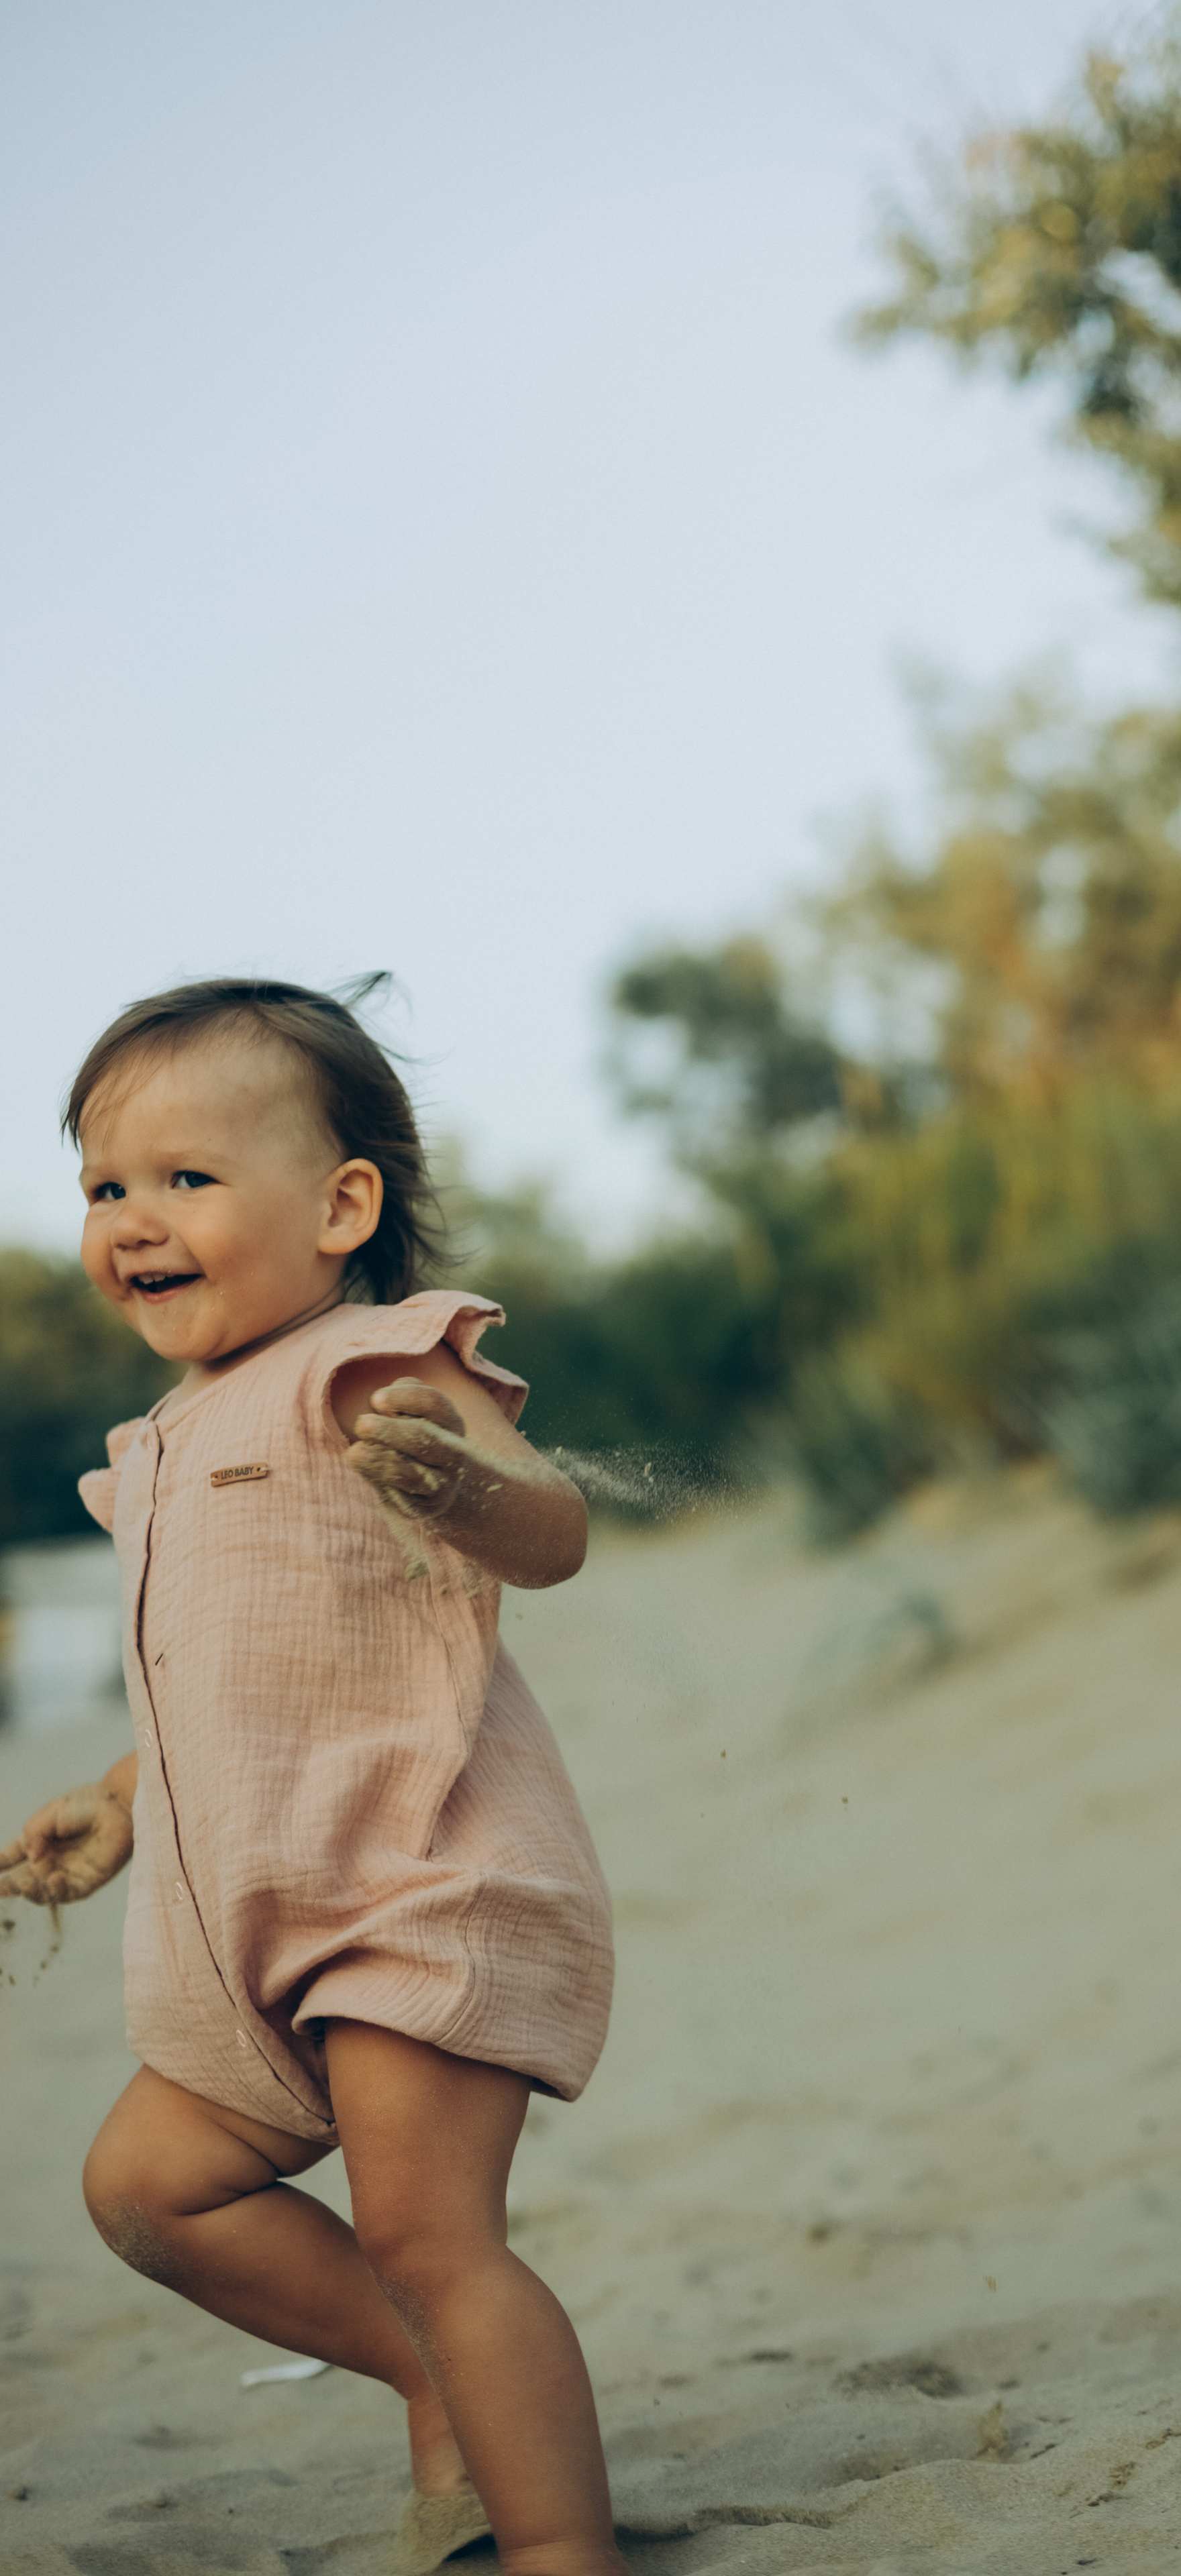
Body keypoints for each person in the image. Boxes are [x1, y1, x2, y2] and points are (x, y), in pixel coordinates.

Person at [0, 976, 625, 2576]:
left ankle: (555, 2545)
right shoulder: (165, 1435)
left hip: (414, 1885)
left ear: (342, 1205)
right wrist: (128, 1800)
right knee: (148, 2191)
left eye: (186, 1179)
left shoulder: (372, 1365)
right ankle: (439, 2386)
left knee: (430, 2237)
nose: (134, 1220)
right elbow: (233, 1670)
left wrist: (466, 1485)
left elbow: (547, 1532)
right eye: (104, 1189)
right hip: (249, 1930)